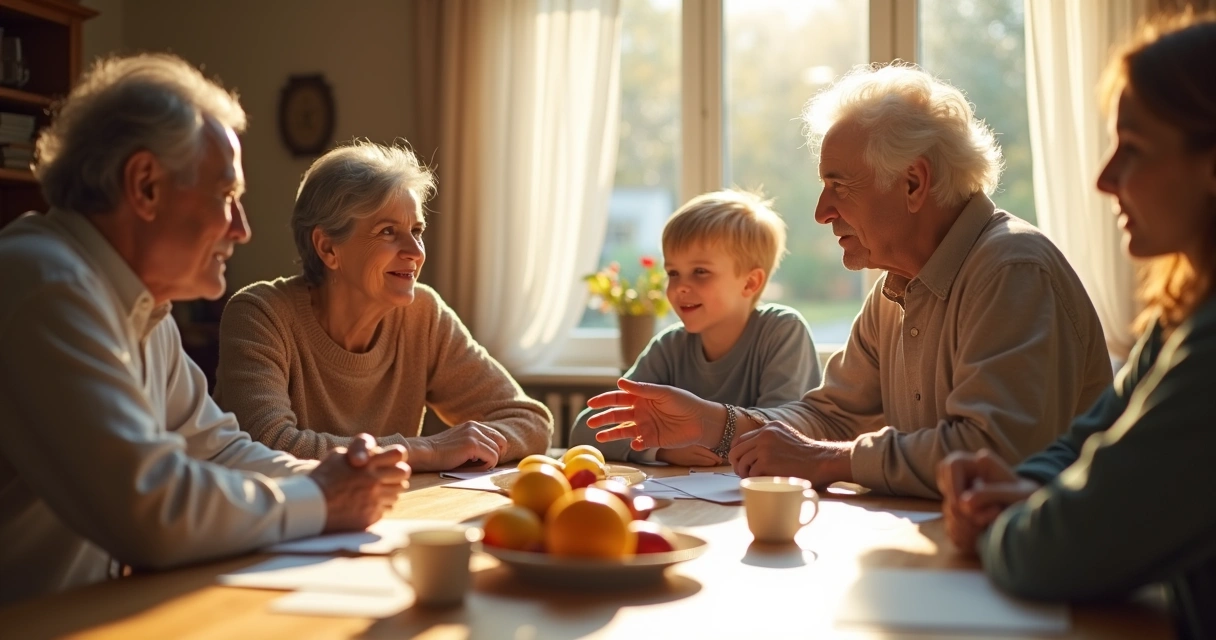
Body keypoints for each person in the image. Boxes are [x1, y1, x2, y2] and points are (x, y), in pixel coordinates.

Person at [587, 63, 1113, 498]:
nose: (820, 211)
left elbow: (991, 453)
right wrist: (715, 424)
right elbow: (831, 416)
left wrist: (827, 461)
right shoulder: (895, 289)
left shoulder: (1011, 268)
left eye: (838, 185)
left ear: (913, 182)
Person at [0, 54, 409, 605]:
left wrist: (335, 473)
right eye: (226, 196)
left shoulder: (142, 306)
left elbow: (215, 449)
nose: (241, 230)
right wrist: (321, 498)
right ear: (145, 185)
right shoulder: (44, 285)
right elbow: (150, 509)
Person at [937, 13, 1216, 638]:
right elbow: (1086, 441)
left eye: (1135, 150)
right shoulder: (1182, 316)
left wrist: (996, 521)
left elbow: (1058, 553)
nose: (1103, 178)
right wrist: (1014, 487)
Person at [212, 141, 552, 471]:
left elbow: (530, 421)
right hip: (277, 522)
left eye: (416, 230)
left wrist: (475, 445)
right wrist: (427, 450)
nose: (416, 252)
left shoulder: (423, 315)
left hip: (382, 516)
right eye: (388, 231)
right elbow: (267, 445)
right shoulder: (260, 315)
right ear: (328, 248)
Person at [568, 190, 821, 465]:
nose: (680, 286)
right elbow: (588, 428)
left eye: (700, 272)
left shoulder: (783, 332)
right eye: (673, 273)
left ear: (750, 283)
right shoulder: (669, 347)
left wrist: (705, 436)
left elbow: (782, 434)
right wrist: (661, 450)